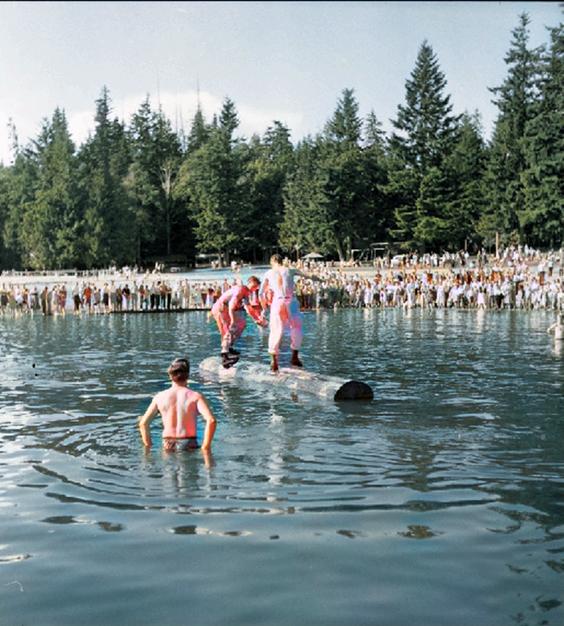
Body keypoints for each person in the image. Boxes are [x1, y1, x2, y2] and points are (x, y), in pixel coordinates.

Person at [138, 358, 217, 453]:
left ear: (170, 375)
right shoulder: (195, 396)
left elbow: (143, 423)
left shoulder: (159, 397)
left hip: (167, 444)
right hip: (189, 443)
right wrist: (205, 447)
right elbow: (211, 420)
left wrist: (148, 446)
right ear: (188, 376)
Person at [260, 254, 315, 372]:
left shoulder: (269, 273)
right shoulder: (290, 270)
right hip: (291, 301)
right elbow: (310, 276)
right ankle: (295, 357)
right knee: (297, 327)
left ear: (272, 261)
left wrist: (264, 309)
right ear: (281, 261)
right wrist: (321, 279)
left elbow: (261, 293)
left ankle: (274, 361)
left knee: (276, 330)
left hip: (278, 301)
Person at [209, 275, 266, 368]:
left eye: (256, 287)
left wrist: (257, 319)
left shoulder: (246, 293)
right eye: (254, 286)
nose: (254, 289)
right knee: (228, 329)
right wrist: (232, 320)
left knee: (242, 324)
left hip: (226, 309)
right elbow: (231, 306)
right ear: (249, 283)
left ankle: (229, 347)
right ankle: (225, 355)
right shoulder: (241, 290)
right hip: (221, 308)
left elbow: (249, 309)